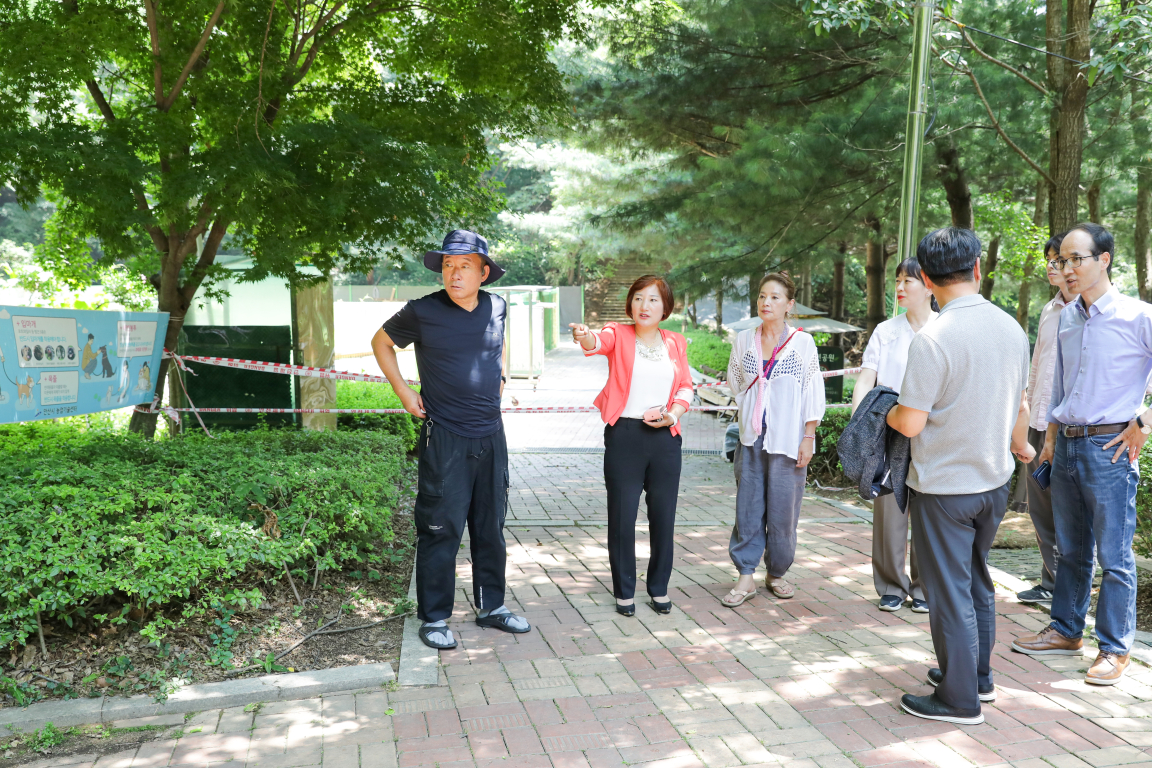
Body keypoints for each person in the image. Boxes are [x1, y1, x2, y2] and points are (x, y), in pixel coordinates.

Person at [886, 227, 1033, 725]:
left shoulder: (933, 338)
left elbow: (910, 422)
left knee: (949, 592)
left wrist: (884, 413)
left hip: (944, 487)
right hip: (994, 481)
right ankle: (978, 678)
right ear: (976, 269)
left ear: (925, 278)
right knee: (976, 584)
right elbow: (1021, 406)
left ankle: (958, 699)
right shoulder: (1012, 328)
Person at [370, 229, 530, 650]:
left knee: (490, 527)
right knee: (440, 528)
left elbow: (494, 351)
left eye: (463, 266)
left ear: (483, 271)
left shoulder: (497, 306)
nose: (454, 273)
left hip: (491, 436)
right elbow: (381, 342)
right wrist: (404, 392)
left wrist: (499, 381)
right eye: (447, 265)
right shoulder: (423, 311)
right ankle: (435, 616)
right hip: (445, 436)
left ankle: (491, 606)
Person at [1011, 223, 1152, 686]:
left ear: (1104, 260)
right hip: (1066, 442)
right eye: (1063, 260)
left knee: (1114, 556)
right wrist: (1050, 436)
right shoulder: (1067, 317)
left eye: (1077, 259)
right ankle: (1067, 629)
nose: (1067, 268)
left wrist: (1144, 423)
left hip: (1110, 448)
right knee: (1070, 549)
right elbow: (1060, 384)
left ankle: (1114, 649)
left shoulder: (1138, 316)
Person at [569, 276, 694, 616]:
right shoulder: (619, 334)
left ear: (665, 307)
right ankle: (624, 591)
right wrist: (585, 335)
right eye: (638, 298)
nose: (644, 306)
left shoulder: (675, 343)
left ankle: (659, 588)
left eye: (653, 300)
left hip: (666, 438)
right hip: (624, 436)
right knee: (622, 517)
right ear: (630, 304)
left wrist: (674, 414)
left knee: (663, 517)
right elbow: (597, 342)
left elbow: (685, 385)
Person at [722, 273, 826, 607]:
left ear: (789, 304)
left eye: (775, 298)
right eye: (762, 296)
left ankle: (777, 572)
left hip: (788, 438)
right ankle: (745, 576)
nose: (767, 303)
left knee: (784, 511)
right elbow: (736, 382)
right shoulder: (744, 340)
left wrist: (808, 435)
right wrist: (754, 410)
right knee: (748, 507)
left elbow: (812, 391)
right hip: (752, 438)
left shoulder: (802, 343)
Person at [851, 258, 938, 614]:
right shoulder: (886, 331)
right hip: (890, 428)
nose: (900, 287)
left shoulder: (944, 328)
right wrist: (862, 422)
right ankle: (890, 584)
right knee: (888, 508)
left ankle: (924, 588)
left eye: (909, 281)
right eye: (897, 280)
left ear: (929, 285)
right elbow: (865, 378)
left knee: (930, 511)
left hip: (934, 431)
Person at [1015, 232, 1074, 605]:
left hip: (1073, 426)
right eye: (1050, 260)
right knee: (1041, 508)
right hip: (1039, 422)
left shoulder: (1090, 310)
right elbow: (1037, 369)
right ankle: (1051, 582)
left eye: (1060, 260)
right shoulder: (1049, 310)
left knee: (1070, 510)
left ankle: (1068, 587)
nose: (1053, 267)